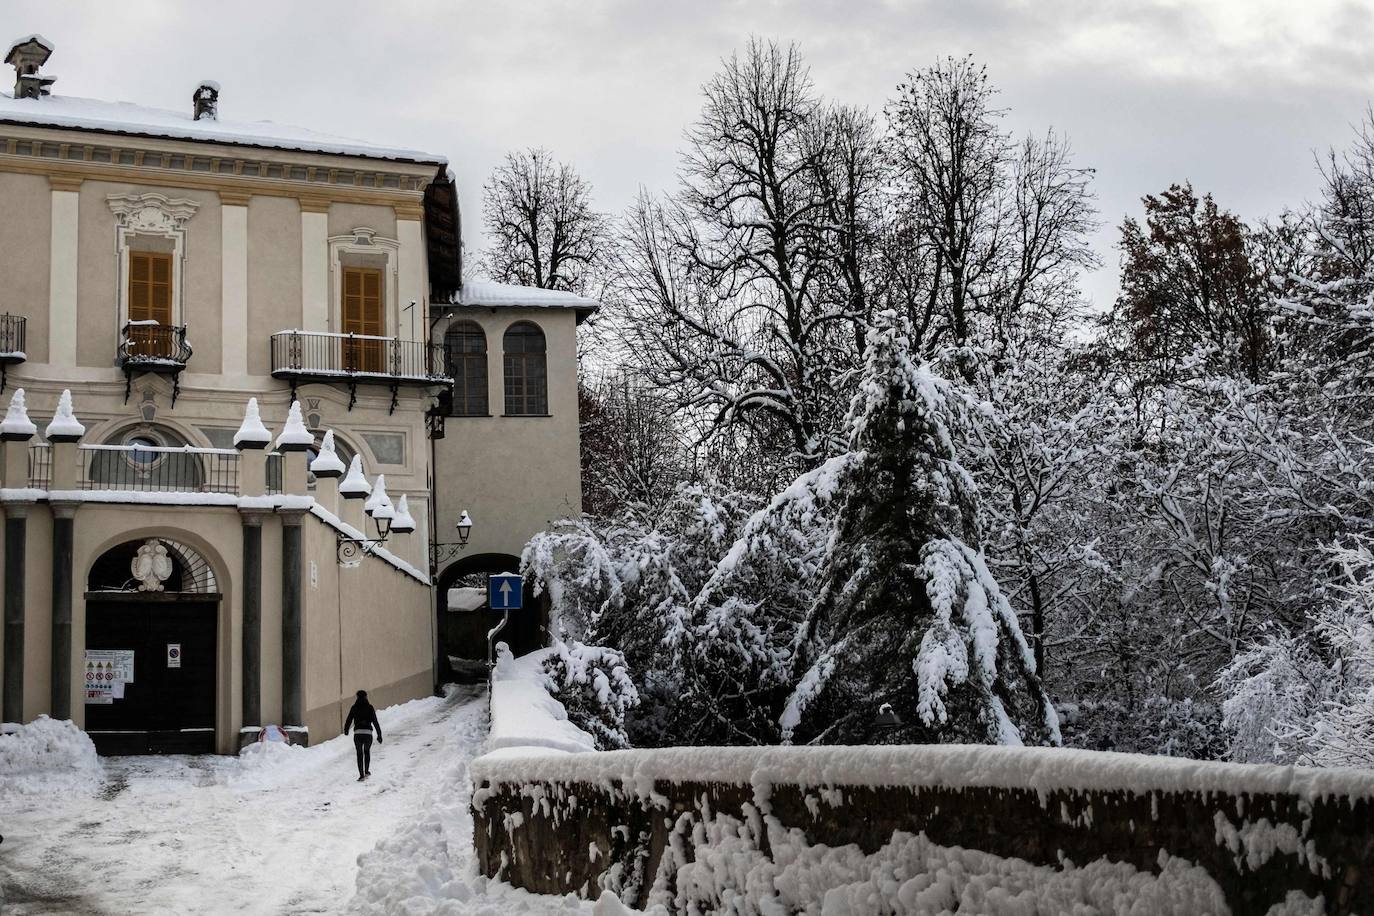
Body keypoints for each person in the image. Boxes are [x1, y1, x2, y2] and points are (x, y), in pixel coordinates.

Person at [343, 689, 382, 781]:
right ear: (366, 697)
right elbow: (375, 722)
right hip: (368, 734)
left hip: (358, 734)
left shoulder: (354, 707)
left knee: (359, 754)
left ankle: (361, 775)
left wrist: (346, 730)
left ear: (357, 697)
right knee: (367, 752)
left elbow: (349, 720)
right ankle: (367, 771)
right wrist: (379, 735)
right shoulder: (370, 707)